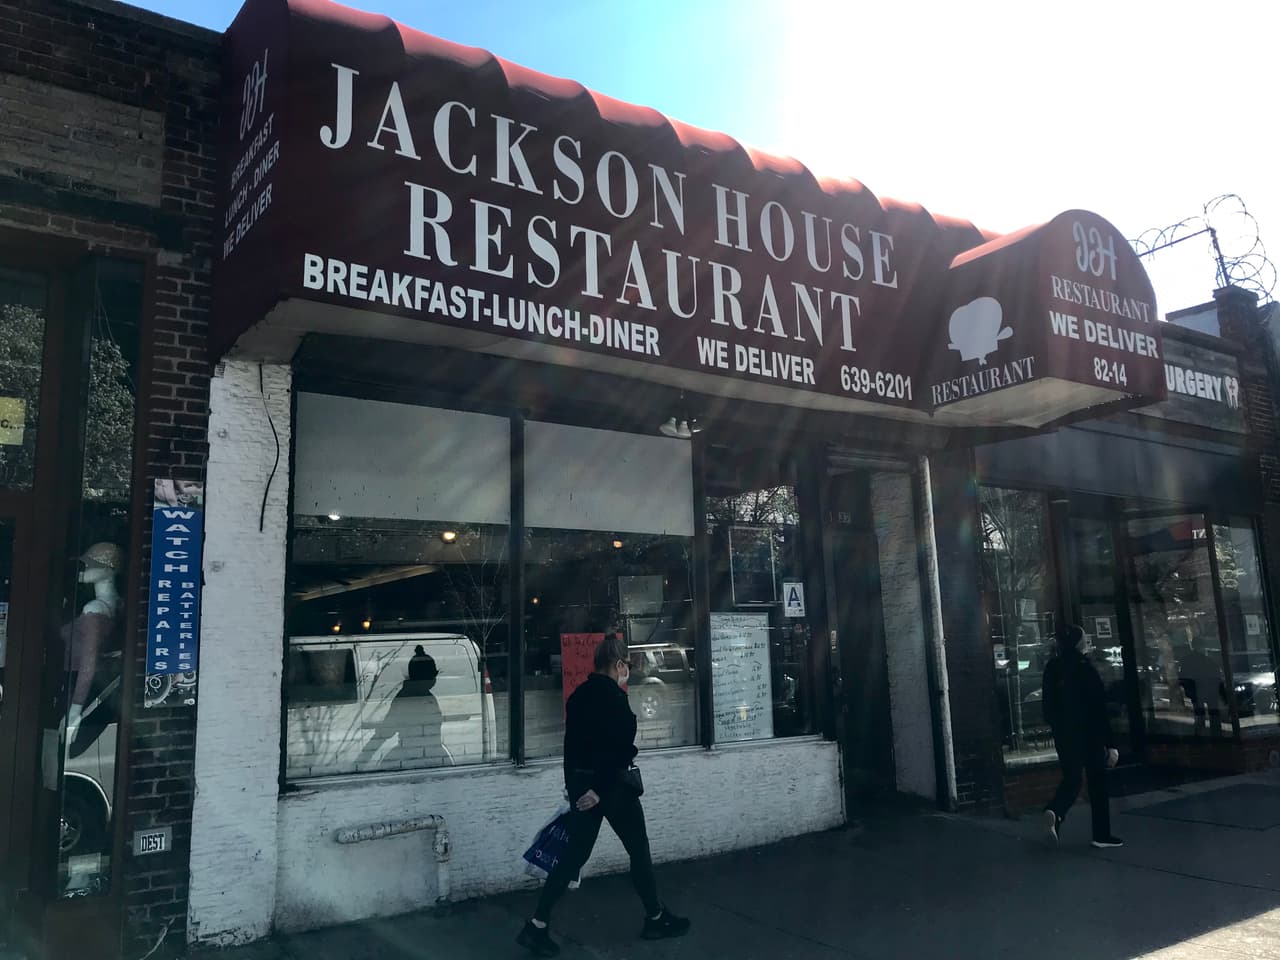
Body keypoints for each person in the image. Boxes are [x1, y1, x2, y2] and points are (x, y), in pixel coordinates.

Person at [518, 635, 689, 957]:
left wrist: (576, 790)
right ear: (619, 665)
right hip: (612, 790)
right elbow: (619, 753)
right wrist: (600, 790)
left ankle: (537, 924)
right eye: (626, 666)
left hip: (583, 790)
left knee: (572, 858)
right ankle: (655, 917)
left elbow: (572, 749)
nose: (627, 673)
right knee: (638, 850)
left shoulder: (579, 696)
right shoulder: (615, 698)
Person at [1041, 625, 1124, 849]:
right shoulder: (1085, 669)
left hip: (1064, 736)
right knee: (1097, 784)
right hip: (1090, 736)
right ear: (1079, 643)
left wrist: (1059, 727)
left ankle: (1055, 811)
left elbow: (1047, 708)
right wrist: (1111, 744)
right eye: (1085, 638)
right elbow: (1099, 710)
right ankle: (1101, 835)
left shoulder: (1052, 668)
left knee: (1072, 778)